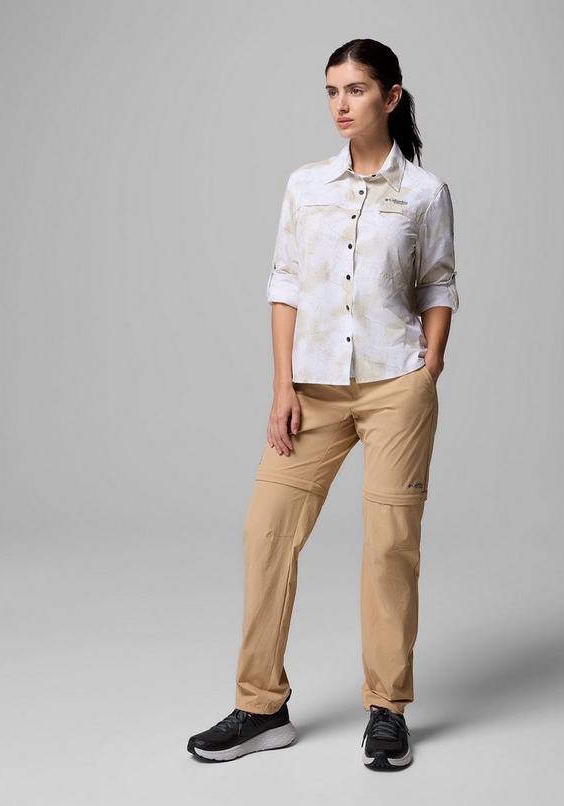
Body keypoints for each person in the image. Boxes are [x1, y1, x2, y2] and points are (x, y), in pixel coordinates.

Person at [187, 38, 458, 771]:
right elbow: (285, 282)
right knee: (266, 532)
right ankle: (260, 706)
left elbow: (437, 282)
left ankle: (387, 709)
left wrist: (429, 367)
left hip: (395, 387)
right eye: (332, 90)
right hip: (312, 390)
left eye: (356, 89)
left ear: (390, 97)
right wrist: (282, 386)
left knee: (389, 546)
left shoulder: (425, 191)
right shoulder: (305, 185)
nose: (341, 104)